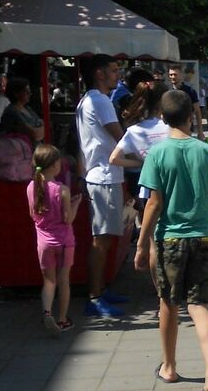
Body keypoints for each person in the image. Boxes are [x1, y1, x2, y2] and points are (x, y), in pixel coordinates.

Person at [135, 90, 208, 389]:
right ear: (192, 116)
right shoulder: (207, 151)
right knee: (200, 305)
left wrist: (141, 242)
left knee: (168, 304)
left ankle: (170, 366)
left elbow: (153, 203)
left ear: (162, 118)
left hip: (170, 239)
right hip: (202, 235)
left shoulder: (158, 153)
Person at [75, 54, 127, 317]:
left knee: (105, 238)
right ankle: (94, 296)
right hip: (104, 177)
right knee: (102, 240)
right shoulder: (99, 100)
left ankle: (101, 289)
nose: (118, 75)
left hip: (100, 175)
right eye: (114, 70)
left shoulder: (88, 100)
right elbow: (121, 137)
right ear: (99, 73)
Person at [27, 143, 81, 334]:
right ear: (55, 166)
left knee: (49, 281)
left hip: (44, 243)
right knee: (64, 280)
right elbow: (68, 219)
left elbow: (33, 215)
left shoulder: (31, 187)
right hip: (64, 242)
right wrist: (76, 204)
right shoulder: (62, 189)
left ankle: (47, 312)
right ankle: (63, 319)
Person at [110, 80, 171, 209]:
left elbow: (114, 158)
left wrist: (141, 163)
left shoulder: (134, 131)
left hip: (143, 185)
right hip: (169, 184)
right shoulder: (171, 128)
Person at [0, 77, 45, 144]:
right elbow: (35, 135)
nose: (30, 93)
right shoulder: (11, 112)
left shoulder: (27, 108)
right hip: (23, 151)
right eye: (26, 91)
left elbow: (45, 125)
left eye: (29, 91)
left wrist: (40, 129)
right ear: (16, 93)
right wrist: (41, 129)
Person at [168, 65, 204, 141]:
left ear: (180, 75)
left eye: (175, 74)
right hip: (172, 129)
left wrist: (200, 131)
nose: (173, 77)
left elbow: (197, 111)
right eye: (171, 74)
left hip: (187, 129)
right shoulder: (168, 93)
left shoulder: (190, 91)